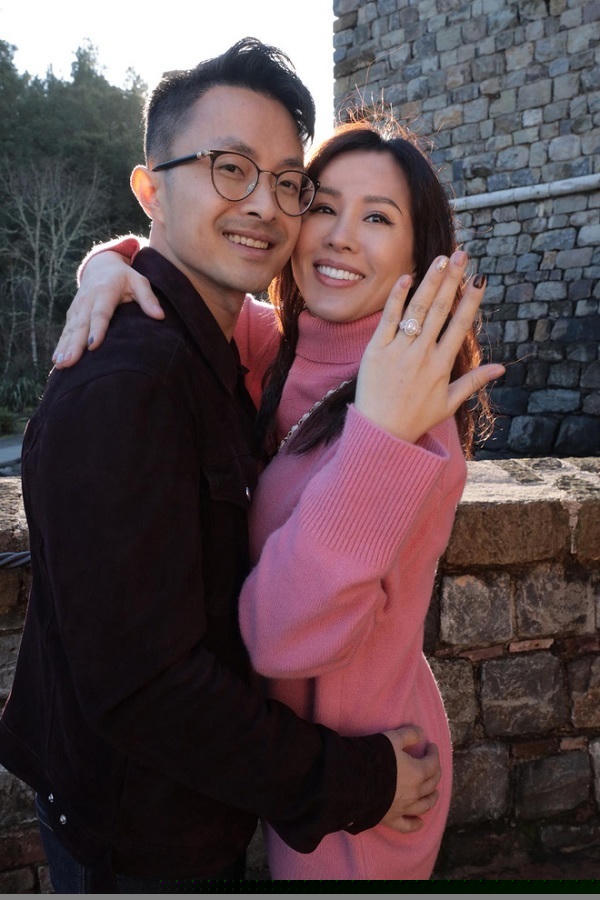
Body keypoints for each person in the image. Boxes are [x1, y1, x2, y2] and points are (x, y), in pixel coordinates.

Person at [0, 40, 447, 893]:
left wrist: (111, 265)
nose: (265, 207)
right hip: (139, 834)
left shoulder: (227, 352)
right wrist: (360, 782)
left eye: (287, 182)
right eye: (230, 169)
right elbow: (148, 692)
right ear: (150, 189)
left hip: (221, 805)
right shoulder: (131, 384)